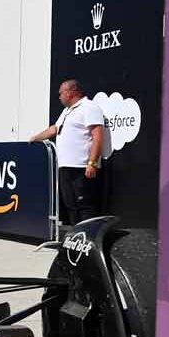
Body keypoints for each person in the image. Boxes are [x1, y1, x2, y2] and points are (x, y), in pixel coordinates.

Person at [29, 78, 110, 226]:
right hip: (66, 166)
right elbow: (54, 128)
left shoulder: (89, 107)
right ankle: (76, 240)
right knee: (71, 205)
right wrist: (35, 138)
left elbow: (98, 136)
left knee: (85, 205)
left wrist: (92, 163)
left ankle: (89, 241)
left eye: (61, 93)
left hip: (82, 167)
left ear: (72, 92)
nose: (59, 96)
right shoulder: (68, 111)